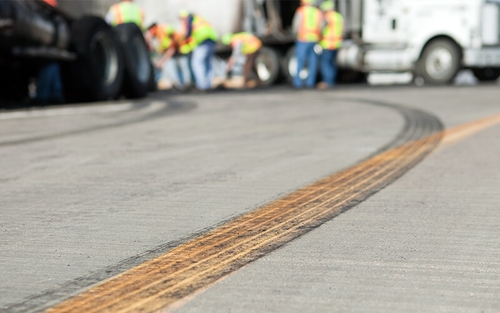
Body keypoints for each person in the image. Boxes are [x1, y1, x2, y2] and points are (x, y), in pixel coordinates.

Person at [178, 10, 218, 91]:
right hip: (212, 40)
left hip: (202, 41)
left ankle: (202, 85)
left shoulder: (190, 19)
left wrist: (183, 41)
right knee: (207, 63)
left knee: (197, 63)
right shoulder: (200, 19)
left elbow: (188, 34)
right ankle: (208, 84)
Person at [145, 23, 192, 89]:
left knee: (182, 67)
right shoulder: (159, 34)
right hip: (175, 51)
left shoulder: (164, 29)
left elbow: (172, 46)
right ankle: (181, 85)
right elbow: (164, 47)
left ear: (153, 28)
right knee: (176, 67)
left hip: (181, 49)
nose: (151, 34)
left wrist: (162, 61)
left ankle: (186, 84)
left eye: (150, 31)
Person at [292, 0, 323, 89]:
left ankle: (298, 83)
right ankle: (310, 83)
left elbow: (296, 25)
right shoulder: (317, 12)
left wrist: (295, 34)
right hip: (314, 39)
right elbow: (321, 26)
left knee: (300, 61)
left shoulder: (301, 11)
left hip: (302, 39)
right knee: (312, 62)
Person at [318, 1, 344, 89]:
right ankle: (332, 81)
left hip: (327, 44)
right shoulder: (338, 16)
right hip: (336, 44)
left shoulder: (327, 17)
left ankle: (327, 82)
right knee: (332, 63)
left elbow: (321, 29)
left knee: (326, 64)